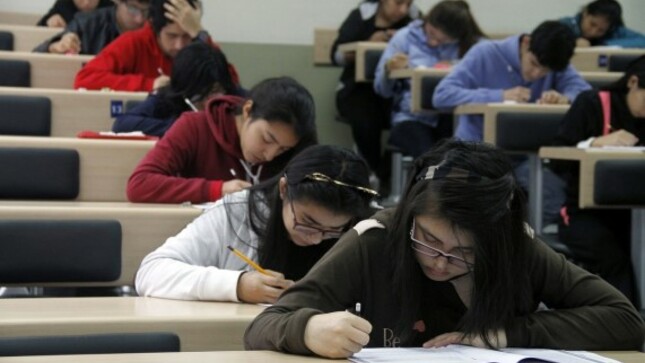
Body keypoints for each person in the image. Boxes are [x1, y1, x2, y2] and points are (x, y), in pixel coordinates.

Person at [243, 139, 645, 358]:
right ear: (411, 215)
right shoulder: (376, 239)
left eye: (466, 253)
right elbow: (264, 325)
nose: (440, 261)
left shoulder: (515, 246)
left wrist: (503, 334)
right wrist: (308, 329)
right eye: (429, 240)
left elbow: (625, 321)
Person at [135, 145, 378, 303]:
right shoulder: (238, 212)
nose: (315, 238)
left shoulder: (366, 226)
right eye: (307, 223)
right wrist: (236, 285)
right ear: (284, 189)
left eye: (332, 230)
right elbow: (150, 272)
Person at [126, 76, 317, 204]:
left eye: (282, 149)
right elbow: (139, 184)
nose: (269, 155)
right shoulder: (194, 126)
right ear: (248, 110)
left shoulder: (295, 151)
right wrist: (217, 190)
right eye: (267, 138)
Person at [551, 55, 645, 305]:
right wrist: (593, 143)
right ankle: (627, 324)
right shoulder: (592, 103)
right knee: (615, 258)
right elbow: (556, 158)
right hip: (584, 213)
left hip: (635, 213)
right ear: (633, 82)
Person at [433, 20, 591, 142]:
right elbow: (442, 96)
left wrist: (566, 98)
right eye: (534, 64)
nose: (537, 74)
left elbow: (587, 96)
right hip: (474, 150)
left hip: (528, 154)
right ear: (526, 43)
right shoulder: (485, 52)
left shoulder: (555, 60)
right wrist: (499, 96)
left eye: (545, 71)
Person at [374, 0, 485, 158]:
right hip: (411, 118)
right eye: (431, 33)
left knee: (467, 155)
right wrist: (388, 70)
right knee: (430, 157)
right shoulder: (404, 37)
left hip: (453, 117)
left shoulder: (473, 46)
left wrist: (457, 66)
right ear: (427, 20)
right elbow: (381, 90)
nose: (433, 42)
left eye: (443, 41)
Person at [331, 0, 420, 182]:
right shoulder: (362, 15)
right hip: (357, 90)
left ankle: (385, 177)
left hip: (396, 91)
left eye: (408, 4)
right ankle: (370, 174)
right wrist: (368, 43)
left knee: (410, 120)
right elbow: (336, 55)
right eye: (398, 3)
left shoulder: (415, 18)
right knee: (365, 120)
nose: (403, 10)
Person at [73, 0, 239, 92]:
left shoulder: (200, 43)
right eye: (171, 36)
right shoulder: (135, 42)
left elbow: (233, 85)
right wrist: (149, 85)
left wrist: (200, 34)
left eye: (187, 36)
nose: (180, 45)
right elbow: (85, 78)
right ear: (154, 27)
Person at [112, 42, 236, 137]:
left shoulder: (234, 98)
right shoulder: (167, 99)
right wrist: (183, 127)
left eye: (215, 91)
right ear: (185, 90)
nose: (208, 101)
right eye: (201, 94)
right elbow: (122, 124)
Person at [33, 0, 150, 55]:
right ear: (118, 2)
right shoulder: (87, 22)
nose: (139, 19)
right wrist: (55, 46)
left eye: (146, 11)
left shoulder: (156, 27)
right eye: (132, 9)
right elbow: (37, 52)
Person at [559, 0, 645, 48]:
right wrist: (572, 43)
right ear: (585, 13)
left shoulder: (614, 31)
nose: (593, 32)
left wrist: (604, 45)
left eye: (601, 30)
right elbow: (547, 40)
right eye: (592, 24)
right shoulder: (566, 24)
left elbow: (642, 41)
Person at [37, 0, 113, 28]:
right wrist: (49, 23)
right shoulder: (63, 4)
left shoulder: (110, 8)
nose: (87, 2)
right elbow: (38, 28)